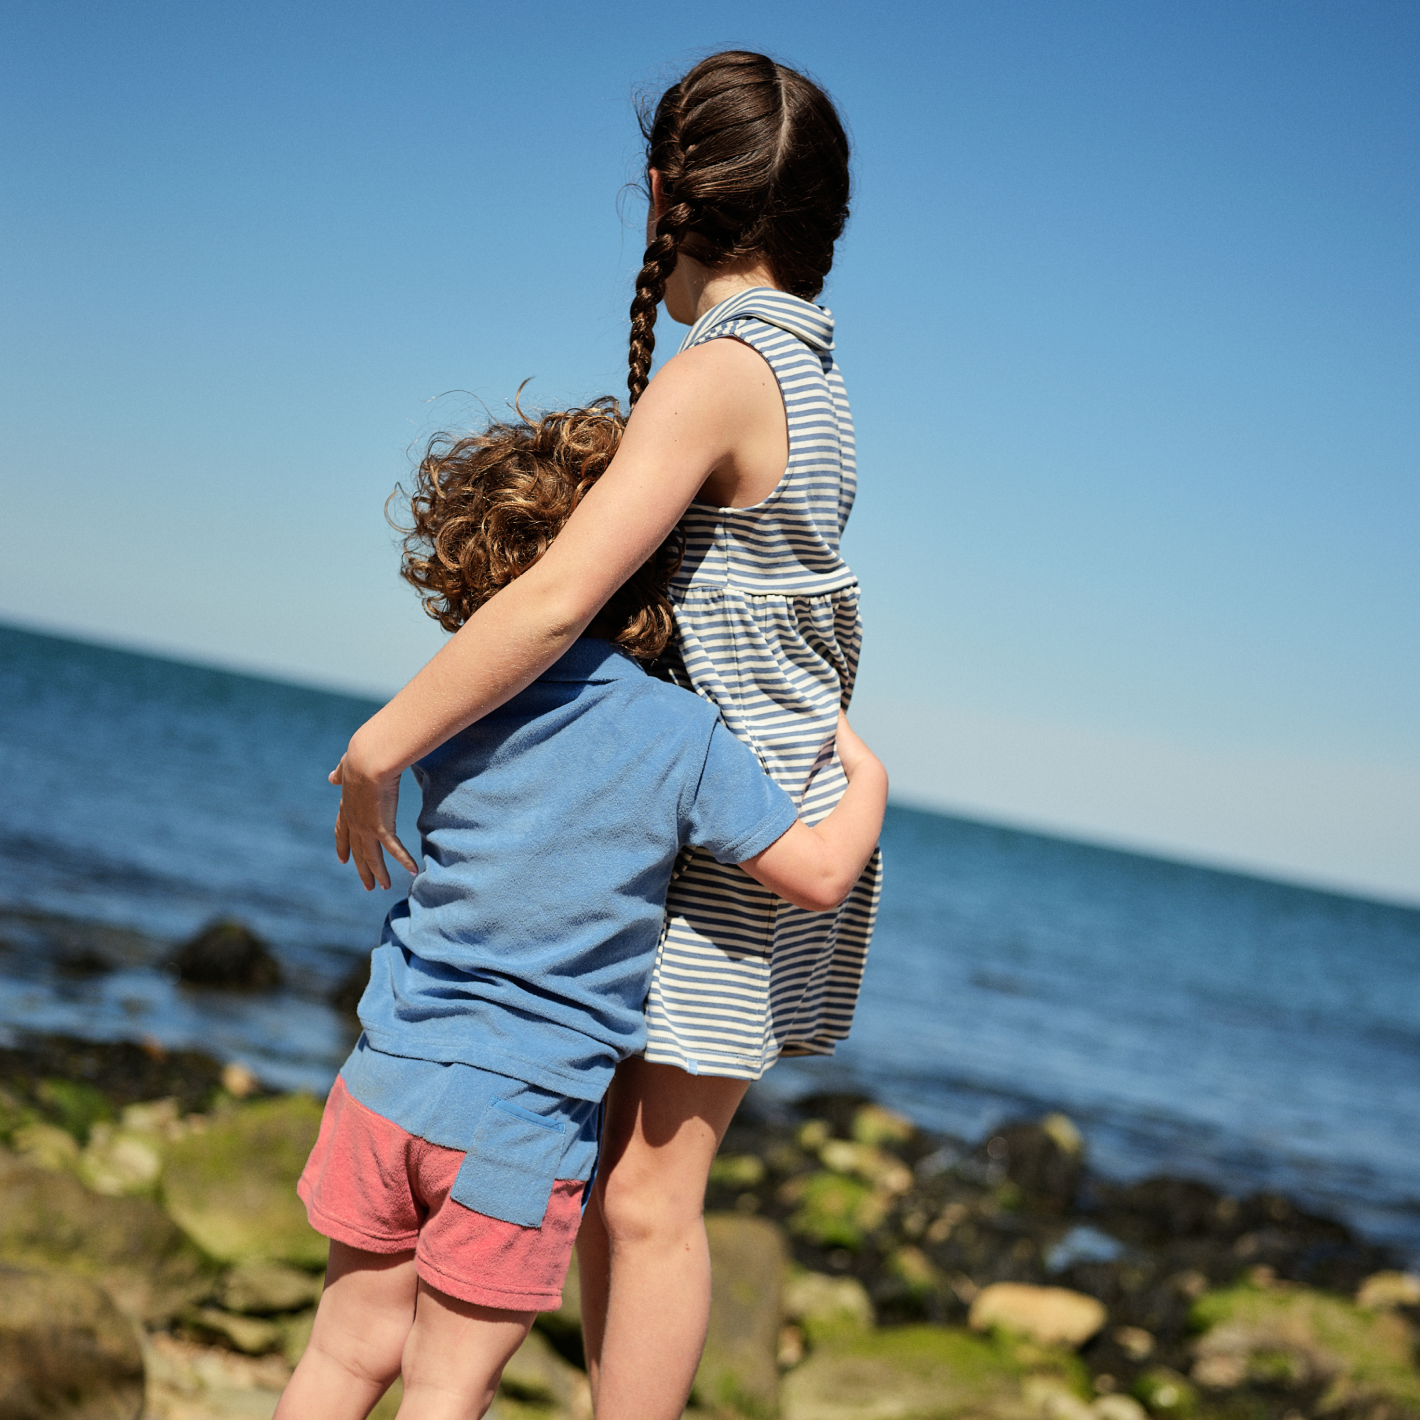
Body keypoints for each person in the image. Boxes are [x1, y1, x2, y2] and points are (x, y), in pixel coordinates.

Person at [328, 50, 873, 1419]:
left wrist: (385, 742)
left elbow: (560, 592)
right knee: (620, 1181)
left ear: (662, 197)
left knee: (646, 1196)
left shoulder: (723, 371)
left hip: (722, 833)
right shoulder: (814, 377)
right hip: (733, 812)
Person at [277, 402, 887, 1419]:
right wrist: (864, 777)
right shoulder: (683, 735)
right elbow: (820, 875)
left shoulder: (453, 700)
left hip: (385, 1082)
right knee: (444, 1381)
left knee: (341, 1359)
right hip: (516, 1121)